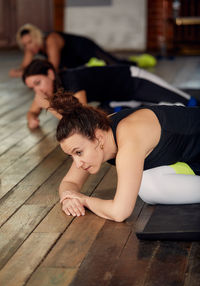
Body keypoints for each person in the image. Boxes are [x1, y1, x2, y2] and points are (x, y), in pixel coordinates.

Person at [47, 91, 200, 221]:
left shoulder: (129, 137)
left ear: (98, 138)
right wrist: (68, 198)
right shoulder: (97, 130)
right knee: (147, 184)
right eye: (72, 156)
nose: (78, 163)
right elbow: (69, 181)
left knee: (148, 186)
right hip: (191, 159)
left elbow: (120, 212)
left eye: (78, 152)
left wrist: (84, 200)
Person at [22, 59, 196, 129]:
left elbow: (83, 119)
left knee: (190, 104)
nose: (38, 90)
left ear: (50, 74)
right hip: (114, 100)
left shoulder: (72, 79)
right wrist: (32, 117)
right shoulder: (46, 90)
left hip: (132, 81)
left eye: (38, 83)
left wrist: (51, 108)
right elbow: (32, 110)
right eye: (32, 87)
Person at [9, 23, 150, 78]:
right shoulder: (31, 49)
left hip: (84, 48)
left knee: (115, 64)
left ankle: (137, 61)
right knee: (100, 69)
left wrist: (25, 73)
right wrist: (20, 71)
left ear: (36, 37)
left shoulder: (50, 40)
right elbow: (23, 68)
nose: (29, 46)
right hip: (75, 61)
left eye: (30, 41)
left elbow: (53, 67)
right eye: (25, 44)